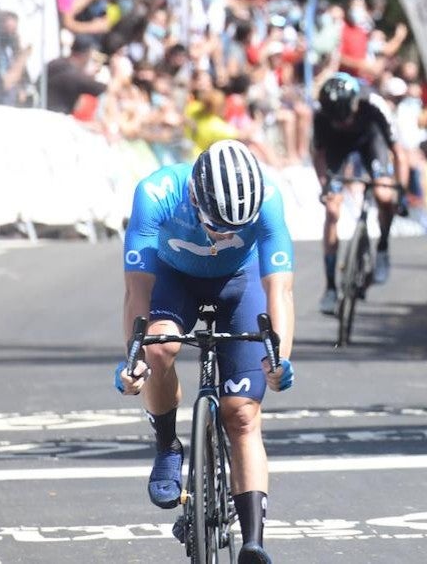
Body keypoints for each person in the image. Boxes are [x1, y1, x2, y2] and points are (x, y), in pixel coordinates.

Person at [115, 140, 295, 564]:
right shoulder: (156, 193)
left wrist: (279, 357)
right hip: (172, 277)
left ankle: (253, 542)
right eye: (218, 225)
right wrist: (134, 357)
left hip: (240, 282)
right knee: (160, 350)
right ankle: (166, 446)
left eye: (238, 226)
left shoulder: (268, 198)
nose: (227, 234)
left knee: (242, 413)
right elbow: (136, 291)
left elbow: (279, 291)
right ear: (196, 196)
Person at [312, 72, 408, 315]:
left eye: (347, 116)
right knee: (332, 211)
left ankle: (383, 247)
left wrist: (402, 191)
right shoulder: (322, 114)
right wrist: (325, 186)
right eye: (337, 118)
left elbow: (399, 152)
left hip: (371, 141)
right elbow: (320, 156)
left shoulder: (374, 103)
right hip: (337, 145)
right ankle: (331, 287)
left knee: (385, 196)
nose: (343, 121)